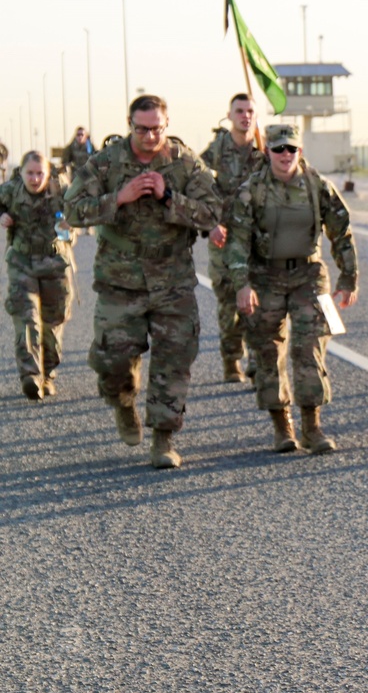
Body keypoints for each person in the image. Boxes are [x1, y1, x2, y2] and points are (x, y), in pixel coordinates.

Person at [65, 94, 222, 469]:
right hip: (121, 282)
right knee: (112, 362)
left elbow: (213, 212)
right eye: (141, 129)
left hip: (173, 281)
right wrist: (117, 198)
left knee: (174, 359)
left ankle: (163, 440)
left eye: (156, 129)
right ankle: (122, 403)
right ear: (129, 125)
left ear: (165, 125)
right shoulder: (105, 163)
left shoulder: (185, 164)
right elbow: (71, 209)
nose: (149, 136)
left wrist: (171, 197)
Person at [228, 124, 358, 455]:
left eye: (291, 149)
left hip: (308, 275)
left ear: (300, 151)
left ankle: (312, 426)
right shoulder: (251, 190)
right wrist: (241, 285)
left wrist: (348, 277)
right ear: (267, 151)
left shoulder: (318, 186)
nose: (285, 155)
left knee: (309, 347)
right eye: (278, 149)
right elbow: (238, 241)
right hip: (265, 277)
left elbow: (341, 233)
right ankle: (281, 426)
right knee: (268, 351)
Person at [200, 93, 267, 383]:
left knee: (259, 297)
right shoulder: (215, 150)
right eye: (239, 111)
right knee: (229, 301)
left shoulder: (265, 151)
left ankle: (256, 358)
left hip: (257, 238)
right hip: (224, 238)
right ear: (229, 116)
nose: (245, 116)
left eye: (250, 110)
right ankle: (231, 359)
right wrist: (210, 222)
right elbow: (196, 187)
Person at [0, 151, 75, 400]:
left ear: (47, 173)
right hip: (22, 262)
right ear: (21, 173)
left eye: (39, 173)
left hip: (54, 262)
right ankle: (31, 376)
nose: (35, 178)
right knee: (27, 318)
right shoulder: (11, 190)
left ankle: (48, 374)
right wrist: (3, 215)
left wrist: (70, 224)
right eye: (29, 173)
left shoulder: (61, 189)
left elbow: (81, 208)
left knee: (52, 324)